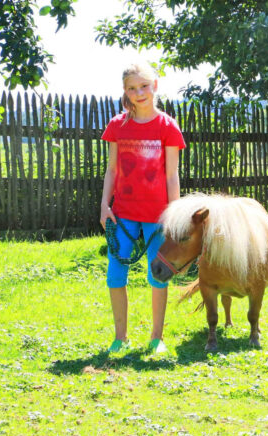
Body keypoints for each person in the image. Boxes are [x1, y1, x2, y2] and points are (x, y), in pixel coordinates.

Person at [100, 63, 185, 354]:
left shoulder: (168, 127)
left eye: (144, 86)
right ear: (125, 92)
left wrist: (173, 216)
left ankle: (156, 337)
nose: (139, 93)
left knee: (158, 275)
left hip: (158, 217)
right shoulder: (117, 126)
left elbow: (172, 175)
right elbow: (112, 170)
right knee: (115, 274)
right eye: (132, 88)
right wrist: (104, 206)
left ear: (155, 86)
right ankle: (120, 337)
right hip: (122, 215)